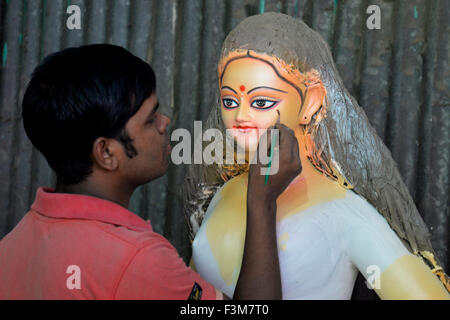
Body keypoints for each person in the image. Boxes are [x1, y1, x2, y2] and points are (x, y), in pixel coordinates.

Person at [0, 44, 302, 299]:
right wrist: (262, 200)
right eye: (149, 119)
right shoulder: (136, 261)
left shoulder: (12, 245)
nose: (165, 122)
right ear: (106, 152)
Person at [185, 13, 450, 299]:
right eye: (229, 101)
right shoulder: (224, 192)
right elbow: (192, 294)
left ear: (311, 101)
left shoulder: (342, 211)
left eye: (261, 101)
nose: (240, 116)